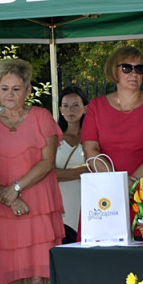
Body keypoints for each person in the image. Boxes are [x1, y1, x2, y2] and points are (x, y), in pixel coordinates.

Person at [0, 58, 65, 284]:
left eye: (16, 89)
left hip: (38, 206)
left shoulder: (41, 116)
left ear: (28, 90)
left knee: (40, 279)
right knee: (8, 280)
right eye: (4, 89)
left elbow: (48, 162)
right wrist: (8, 195)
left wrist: (15, 189)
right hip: (2, 206)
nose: (10, 94)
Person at [81, 46, 143, 224]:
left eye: (139, 69)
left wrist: (131, 183)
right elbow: (90, 149)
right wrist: (115, 182)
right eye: (126, 68)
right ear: (113, 71)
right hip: (106, 189)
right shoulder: (96, 106)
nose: (134, 73)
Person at [55, 86, 89, 244]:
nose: (71, 110)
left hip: (89, 206)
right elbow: (49, 173)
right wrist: (84, 170)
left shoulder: (92, 138)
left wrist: (62, 174)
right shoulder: (53, 137)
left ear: (85, 108)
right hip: (61, 209)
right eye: (66, 106)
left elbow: (100, 167)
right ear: (60, 109)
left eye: (76, 105)